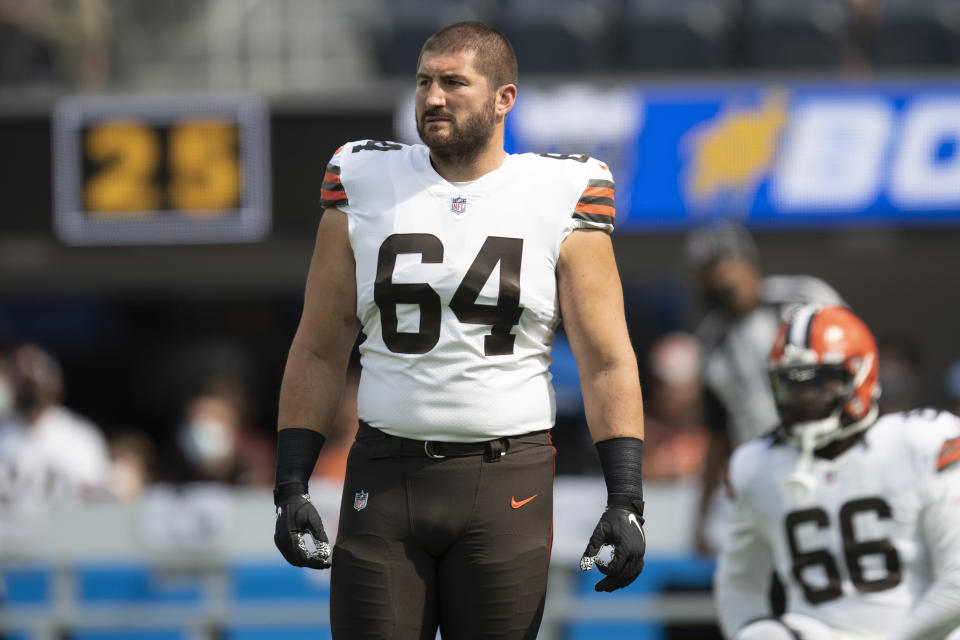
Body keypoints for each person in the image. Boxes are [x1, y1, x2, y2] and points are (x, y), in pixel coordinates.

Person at [272, 21, 647, 639]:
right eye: (424, 82)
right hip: (384, 473)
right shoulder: (363, 175)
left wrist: (626, 499)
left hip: (506, 479)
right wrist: (291, 483)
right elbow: (319, 343)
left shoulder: (563, 189)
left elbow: (607, 358)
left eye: (454, 82)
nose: (433, 97)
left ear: (505, 98)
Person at [714, 304, 960, 640]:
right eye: (792, 384)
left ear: (860, 374)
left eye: (819, 382)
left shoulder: (922, 441)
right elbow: (739, 584)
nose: (803, 397)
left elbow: (957, 582)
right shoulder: (756, 464)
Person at [687, 220, 844, 553]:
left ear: (747, 263)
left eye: (721, 267)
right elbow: (719, 432)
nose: (716, 279)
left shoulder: (803, 298)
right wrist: (701, 514)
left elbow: (855, 367)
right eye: (706, 273)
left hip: (829, 459)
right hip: (764, 475)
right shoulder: (712, 340)